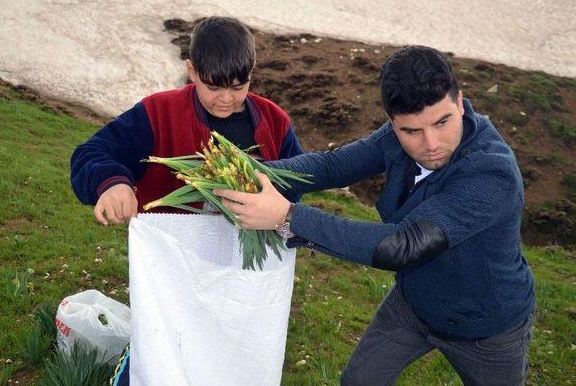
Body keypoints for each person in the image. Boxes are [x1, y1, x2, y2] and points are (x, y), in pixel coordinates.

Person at [214, 45, 535, 385]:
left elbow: (402, 245)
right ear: (392, 123)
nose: (431, 143)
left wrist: (288, 216)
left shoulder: (492, 174)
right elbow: (332, 166)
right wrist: (251, 174)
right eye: (411, 131)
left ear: (460, 102)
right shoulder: (396, 137)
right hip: (415, 303)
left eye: (443, 122)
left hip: (487, 327)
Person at [70, 16, 303, 386]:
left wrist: (279, 206)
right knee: (162, 351)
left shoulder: (274, 122)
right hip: (175, 274)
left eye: (238, 86)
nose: (226, 98)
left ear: (252, 75)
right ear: (192, 71)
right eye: (213, 86)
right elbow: (91, 152)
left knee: (230, 357)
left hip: (241, 277)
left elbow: (294, 189)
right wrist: (111, 184)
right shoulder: (158, 113)